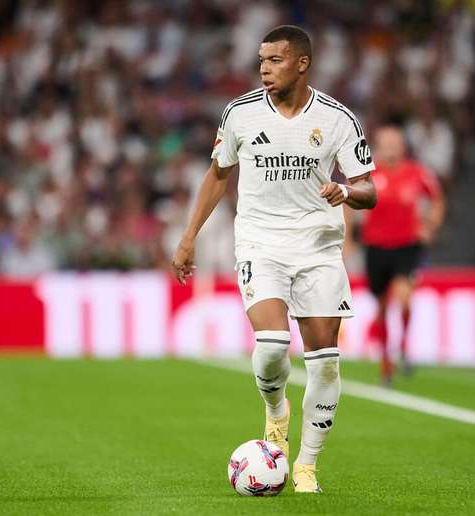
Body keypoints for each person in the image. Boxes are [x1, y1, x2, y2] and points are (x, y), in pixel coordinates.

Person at [171, 25, 377, 493]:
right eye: (261, 60)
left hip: (319, 246)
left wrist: (344, 190)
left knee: (324, 360)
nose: (264, 68)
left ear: (302, 63)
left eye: (275, 60)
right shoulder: (240, 114)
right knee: (269, 348)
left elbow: (369, 189)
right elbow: (218, 175)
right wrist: (188, 238)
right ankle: (276, 411)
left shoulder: (338, 118)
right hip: (260, 243)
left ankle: (305, 465)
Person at [358, 125, 444, 385]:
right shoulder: (368, 172)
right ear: (378, 146)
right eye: (386, 142)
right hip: (376, 246)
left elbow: (438, 199)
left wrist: (430, 226)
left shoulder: (417, 172)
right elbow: (350, 201)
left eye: (395, 142)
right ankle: (386, 363)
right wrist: (347, 238)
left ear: (403, 145)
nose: (391, 147)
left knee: (405, 298)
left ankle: (404, 344)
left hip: (407, 245)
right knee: (383, 308)